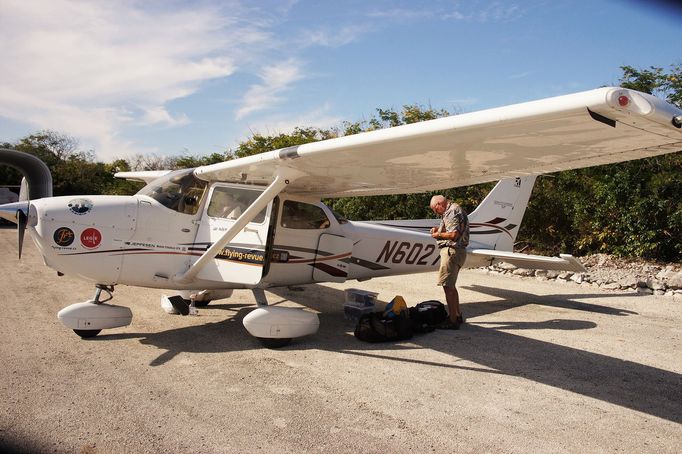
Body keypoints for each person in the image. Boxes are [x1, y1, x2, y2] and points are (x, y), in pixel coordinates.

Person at [429, 194, 470, 329]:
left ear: (440, 203)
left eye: (436, 209)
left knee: (447, 287)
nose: (436, 212)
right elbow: (452, 230)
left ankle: (452, 320)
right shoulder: (453, 209)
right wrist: (439, 230)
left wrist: (438, 235)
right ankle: (457, 315)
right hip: (457, 252)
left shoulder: (452, 211)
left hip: (452, 251)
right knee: (451, 286)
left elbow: (453, 235)